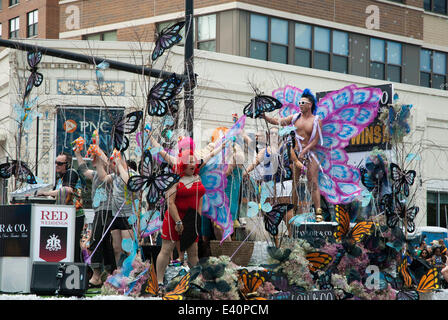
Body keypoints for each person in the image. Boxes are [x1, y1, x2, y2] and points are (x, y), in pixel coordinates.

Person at [263, 89, 324, 222]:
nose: (300, 104)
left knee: (312, 182)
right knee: (295, 184)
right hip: (296, 156)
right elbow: (278, 121)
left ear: (310, 104)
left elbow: (315, 140)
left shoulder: (316, 120)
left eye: (303, 102)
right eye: (299, 102)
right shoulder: (295, 117)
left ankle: (318, 211)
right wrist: (265, 117)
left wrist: (304, 151)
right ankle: (295, 210)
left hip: (310, 154)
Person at [156, 149, 206, 287]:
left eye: (193, 161)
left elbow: (200, 197)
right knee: (166, 250)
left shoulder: (198, 178)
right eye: (189, 161)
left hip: (192, 219)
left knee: (193, 252)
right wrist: (178, 221)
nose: (192, 164)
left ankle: (195, 282)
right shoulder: (175, 180)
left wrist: (198, 217)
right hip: (174, 217)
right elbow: (170, 202)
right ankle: (159, 282)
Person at [74, 146, 116, 288]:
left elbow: (106, 164)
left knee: (96, 241)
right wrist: (78, 154)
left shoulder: (110, 173)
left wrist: (97, 150)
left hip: (106, 210)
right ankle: (109, 274)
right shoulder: (96, 174)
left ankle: (97, 275)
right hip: (99, 211)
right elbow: (84, 170)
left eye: (96, 158)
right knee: (104, 243)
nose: (93, 159)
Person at [37, 152, 84, 262]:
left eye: (59, 163)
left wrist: (45, 193)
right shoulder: (59, 180)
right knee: (65, 246)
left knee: (73, 245)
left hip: (74, 216)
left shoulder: (71, 172)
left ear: (67, 165)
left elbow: (67, 190)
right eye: (55, 163)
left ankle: (78, 268)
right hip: (63, 218)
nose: (56, 165)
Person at [96, 149, 137, 268]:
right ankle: (119, 271)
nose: (111, 168)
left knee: (127, 247)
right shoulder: (115, 175)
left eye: (112, 165)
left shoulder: (131, 174)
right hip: (116, 215)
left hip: (128, 216)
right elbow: (103, 177)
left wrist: (119, 164)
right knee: (116, 248)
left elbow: (127, 182)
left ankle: (133, 272)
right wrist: (98, 161)